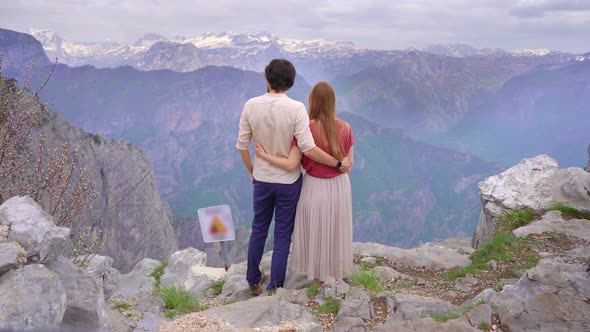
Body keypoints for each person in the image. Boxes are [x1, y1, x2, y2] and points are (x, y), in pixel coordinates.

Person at [236, 59, 351, 295]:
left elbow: (242, 145)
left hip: (263, 179)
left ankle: (252, 278)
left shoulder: (250, 105)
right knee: (282, 234)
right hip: (288, 182)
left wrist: (251, 170)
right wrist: (338, 164)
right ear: (290, 82)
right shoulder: (296, 109)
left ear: (267, 79)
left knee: (259, 228)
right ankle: (276, 285)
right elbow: (308, 149)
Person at [255, 81, 354, 282]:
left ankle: (314, 273)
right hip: (341, 185)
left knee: (314, 229)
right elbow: (349, 164)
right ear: (333, 102)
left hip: (315, 185)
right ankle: (334, 272)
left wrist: (264, 156)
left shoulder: (306, 129)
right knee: (334, 228)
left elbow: (291, 164)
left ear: (312, 102)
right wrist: (338, 165)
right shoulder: (346, 128)